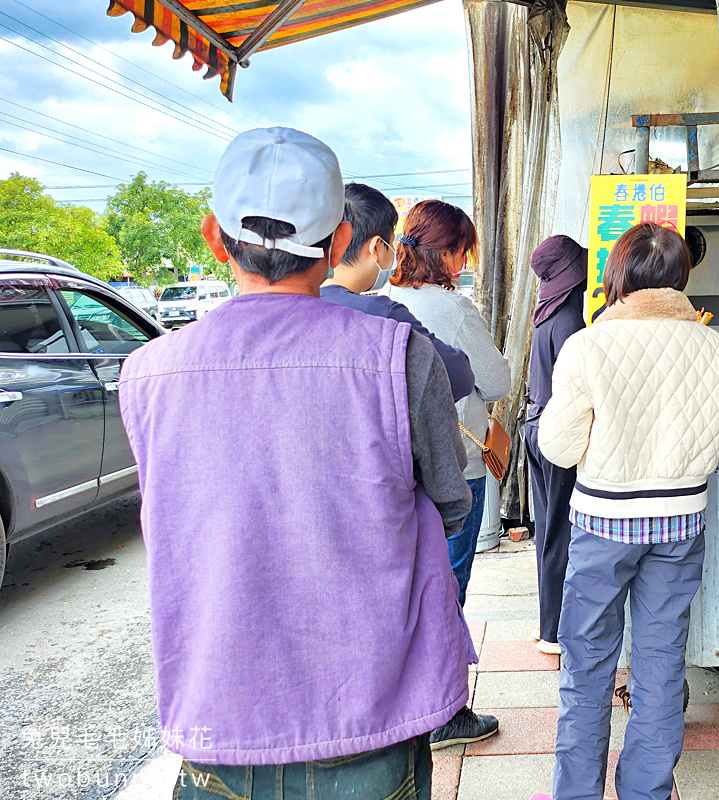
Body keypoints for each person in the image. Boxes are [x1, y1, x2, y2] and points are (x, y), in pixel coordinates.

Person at [118, 127, 475, 799]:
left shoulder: (145, 373)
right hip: (374, 713)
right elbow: (453, 505)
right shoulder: (401, 356)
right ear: (340, 240)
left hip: (219, 719)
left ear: (212, 237)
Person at [539, 223, 719, 800]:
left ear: (618, 276)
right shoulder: (715, 346)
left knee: (586, 669)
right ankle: (646, 792)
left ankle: (577, 793)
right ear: (681, 278)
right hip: (680, 524)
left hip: (604, 524)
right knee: (660, 669)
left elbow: (557, 446)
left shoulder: (588, 345)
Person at [385, 199, 509, 750]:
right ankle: (442, 711)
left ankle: (410, 699)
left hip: (401, 462)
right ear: (451, 253)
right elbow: (498, 379)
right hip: (456, 459)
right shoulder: (453, 310)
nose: (464, 263)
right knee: (450, 584)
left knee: (414, 582)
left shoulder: (383, 299)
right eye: (464, 251)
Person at [321, 182, 475, 401]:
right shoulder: (381, 313)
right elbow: (459, 376)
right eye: (391, 243)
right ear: (376, 247)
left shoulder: (296, 305)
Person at [525, 235, 587, 656]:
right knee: (560, 533)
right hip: (555, 433)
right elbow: (576, 389)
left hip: (533, 426)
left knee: (547, 532)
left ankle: (549, 628)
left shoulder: (544, 314)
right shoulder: (568, 320)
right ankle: (557, 633)